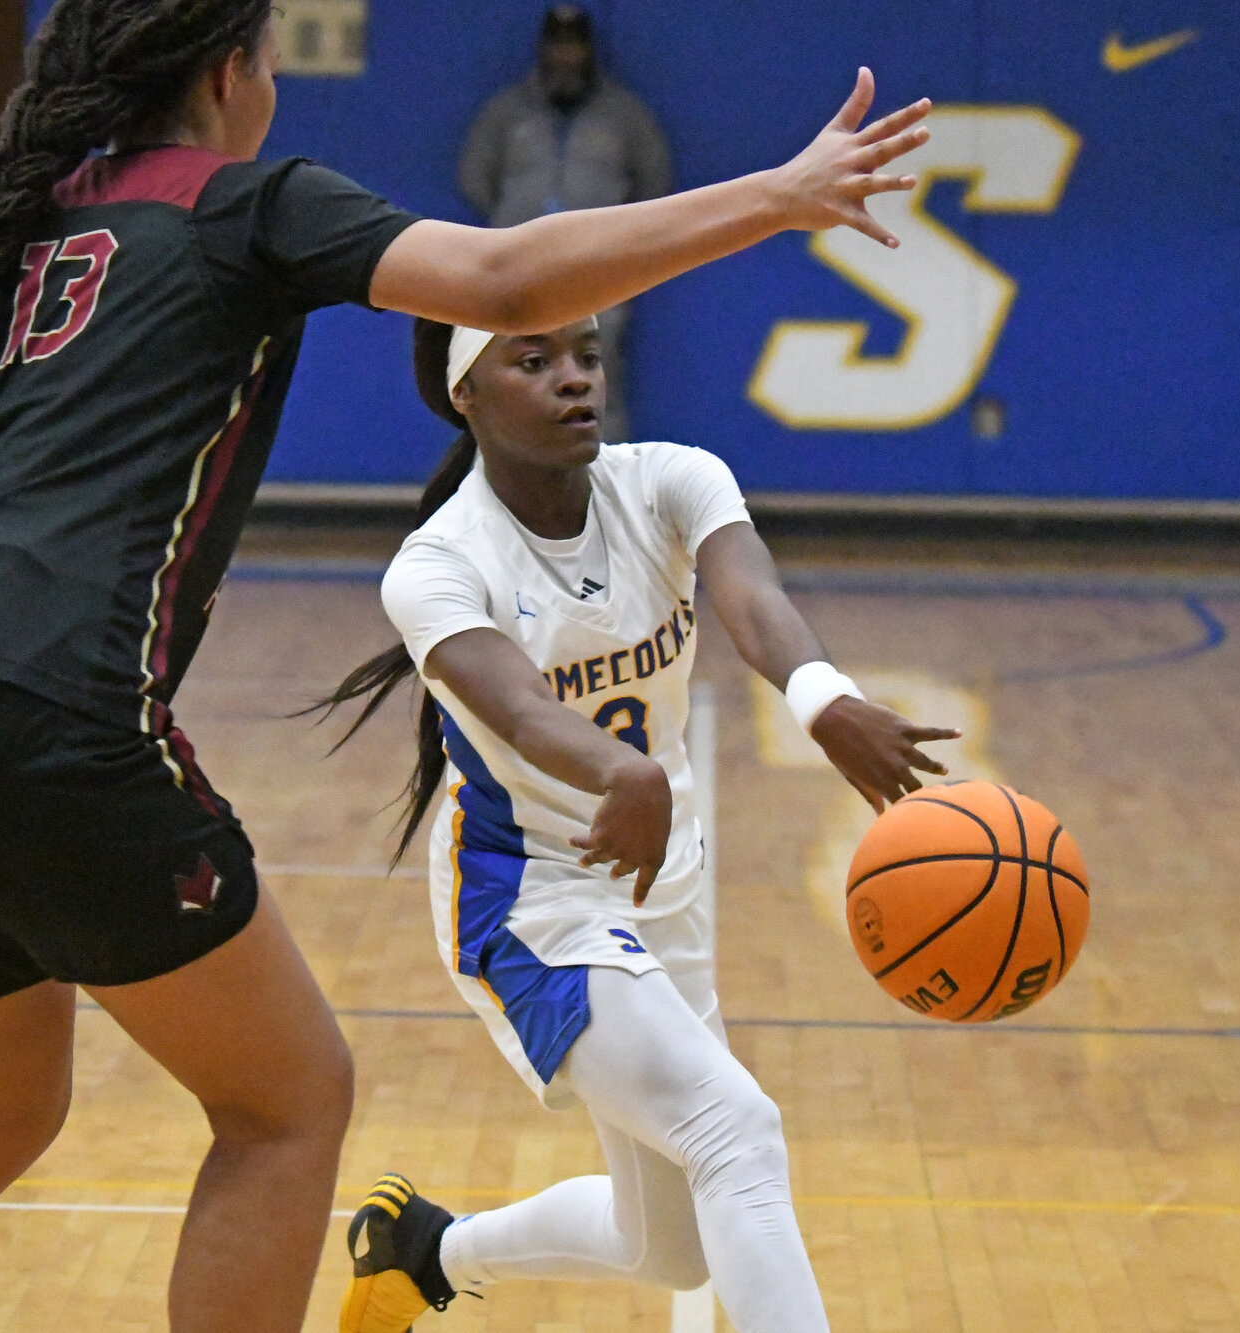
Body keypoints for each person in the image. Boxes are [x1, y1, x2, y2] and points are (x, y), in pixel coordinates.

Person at [0, 0, 931, 1325]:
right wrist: (780, 193)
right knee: (287, 1104)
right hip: (44, 703)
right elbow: (513, 277)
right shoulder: (253, 205)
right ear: (232, 73)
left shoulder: (6, 230)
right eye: (275, 59)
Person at [320, 317, 958, 1333]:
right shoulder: (436, 567)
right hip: (529, 896)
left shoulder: (669, 478)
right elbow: (524, 713)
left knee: (669, 1244)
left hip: (664, 873)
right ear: (464, 395)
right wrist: (619, 766)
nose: (574, 380)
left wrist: (822, 699)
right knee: (734, 1131)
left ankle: (421, 1250)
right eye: (533, 362)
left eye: (583, 354)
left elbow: (749, 598)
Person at [460, 4, 671, 443]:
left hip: (600, 270)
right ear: (543, 50)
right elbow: (475, 178)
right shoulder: (508, 112)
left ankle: (605, 489)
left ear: (589, 52)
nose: (565, 57)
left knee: (596, 375)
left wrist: (621, 240)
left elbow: (654, 184)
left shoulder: (624, 115)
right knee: (516, 371)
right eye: (558, 47)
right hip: (519, 269)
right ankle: (520, 484)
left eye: (574, 47)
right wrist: (516, 222)